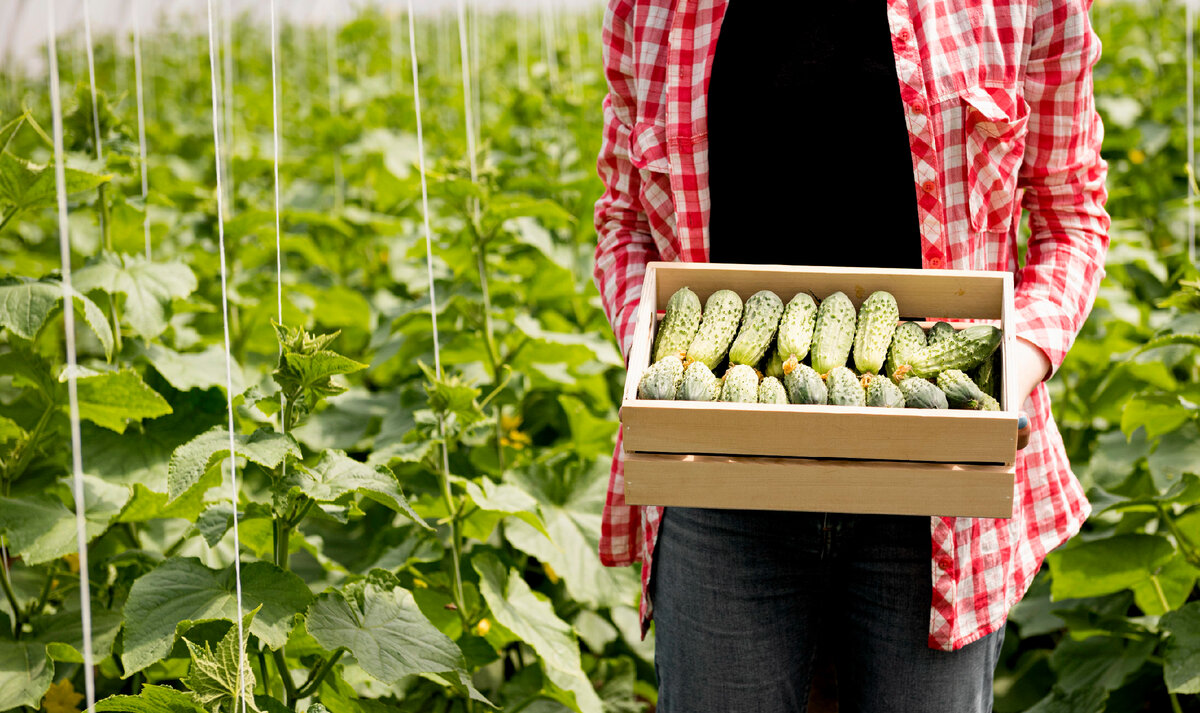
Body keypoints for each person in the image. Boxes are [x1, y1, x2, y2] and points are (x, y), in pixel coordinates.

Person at [591, 1, 1110, 711]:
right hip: (717, 472)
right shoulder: (653, 9)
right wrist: (657, 358)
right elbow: (623, 227)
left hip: (937, 490)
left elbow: (1071, 217)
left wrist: (1007, 373)